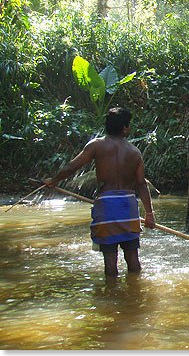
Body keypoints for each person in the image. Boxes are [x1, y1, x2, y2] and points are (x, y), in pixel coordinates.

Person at [44, 107, 156, 277]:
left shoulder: (96, 146)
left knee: (110, 259)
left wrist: (53, 181)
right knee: (132, 257)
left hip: (107, 204)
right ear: (125, 128)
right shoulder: (134, 152)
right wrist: (149, 213)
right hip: (128, 205)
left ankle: (110, 296)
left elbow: (72, 167)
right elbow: (141, 185)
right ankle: (135, 293)